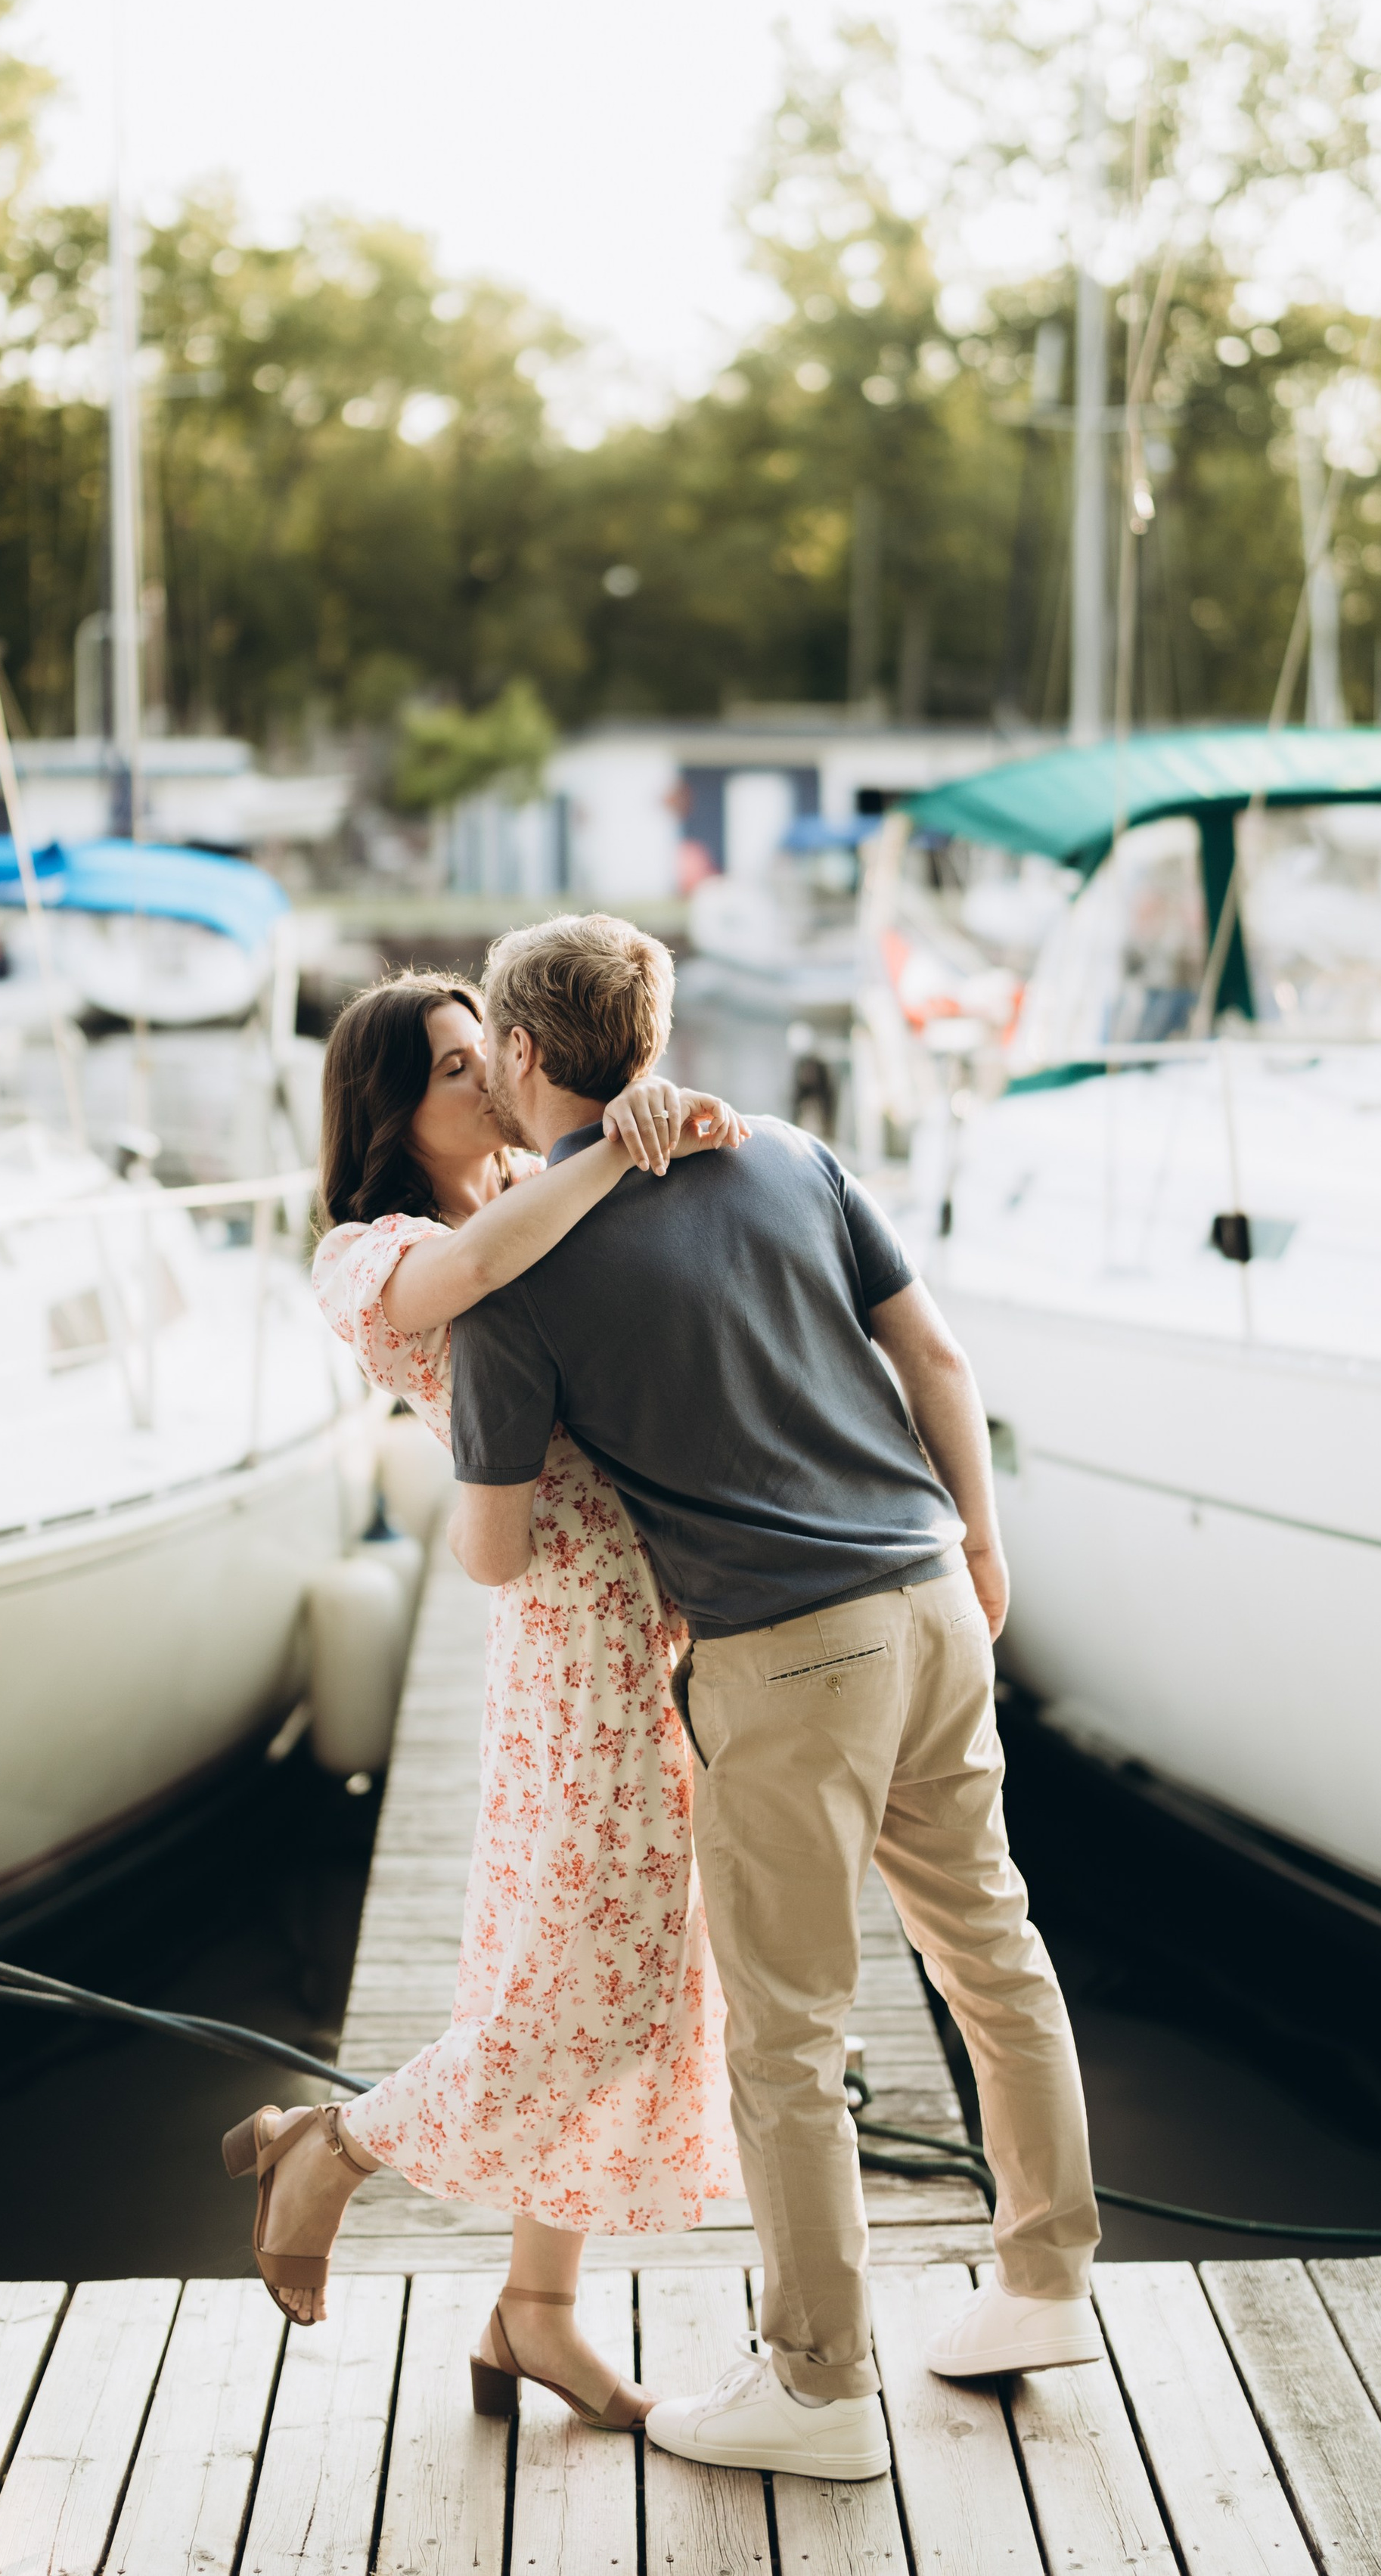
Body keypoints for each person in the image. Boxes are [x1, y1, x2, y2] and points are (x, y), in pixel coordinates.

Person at [447, 912, 1101, 2486]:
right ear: (651, 1035)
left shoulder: (512, 1275)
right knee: (990, 1949)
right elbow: (937, 1360)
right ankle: (1041, 2285)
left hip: (786, 1652)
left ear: (521, 1052)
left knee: (789, 2033)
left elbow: (494, 1552)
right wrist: (979, 1542)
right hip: (932, 1594)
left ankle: (817, 2387)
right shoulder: (792, 1156)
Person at [222, 968, 744, 2435]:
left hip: (657, 1619)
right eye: (454, 1068)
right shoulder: (370, 1253)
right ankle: (330, 2147)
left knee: (633, 1980)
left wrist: (647, 1124)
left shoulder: (539, 1185)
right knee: (577, 1990)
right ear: (390, 1109)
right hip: (573, 1638)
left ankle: (535, 2314)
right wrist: (610, 1146)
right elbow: (471, 1276)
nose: (489, 1081)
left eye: (487, 1056)